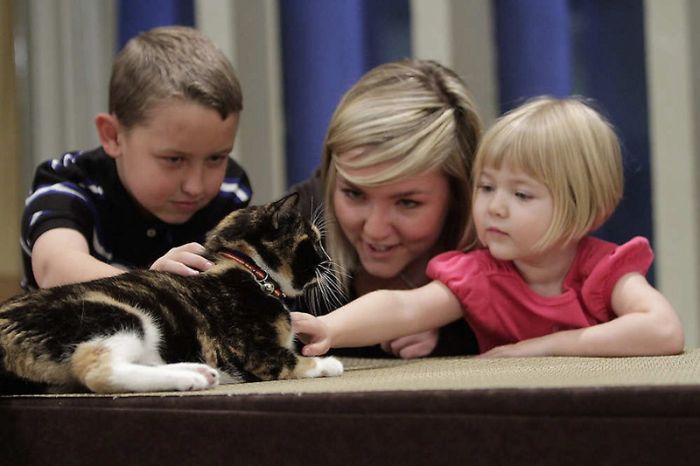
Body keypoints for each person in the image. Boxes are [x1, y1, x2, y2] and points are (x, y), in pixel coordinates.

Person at [292, 96, 685, 358]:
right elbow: (403, 306)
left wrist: (543, 348)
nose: (495, 208)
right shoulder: (479, 275)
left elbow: (664, 330)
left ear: (586, 208)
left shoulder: (603, 271)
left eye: (522, 195)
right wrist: (329, 327)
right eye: (486, 187)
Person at [21, 26, 252, 290]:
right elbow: (55, 268)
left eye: (216, 158)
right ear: (113, 136)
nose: (195, 186)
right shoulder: (67, 184)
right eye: (174, 159)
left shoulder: (230, 189)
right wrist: (150, 287)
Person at [290, 59, 482, 358]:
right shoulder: (290, 234)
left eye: (407, 202)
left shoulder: (514, 255)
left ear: (459, 195)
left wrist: (452, 339)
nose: (375, 230)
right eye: (354, 194)